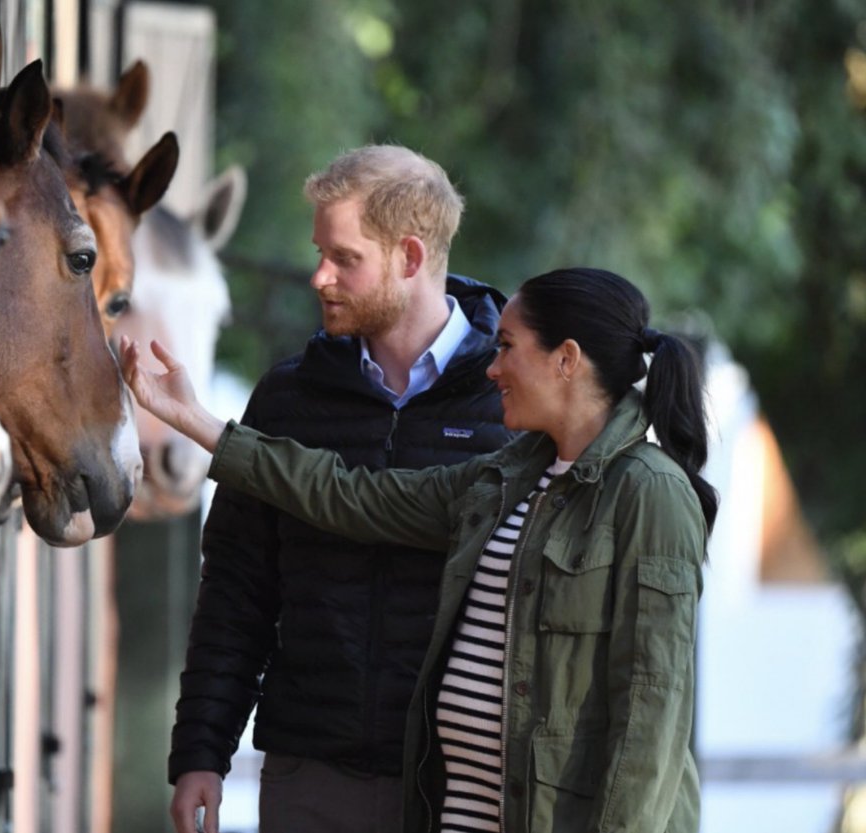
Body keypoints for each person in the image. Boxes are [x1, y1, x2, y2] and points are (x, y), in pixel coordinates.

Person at [121, 266, 716, 833]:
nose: (491, 368)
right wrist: (197, 422)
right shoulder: (505, 476)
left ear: (566, 359)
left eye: (507, 346)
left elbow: (650, 721)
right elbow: (350, 495)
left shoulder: (650, 492)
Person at [166, 145, 513, 833]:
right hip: (311, 776)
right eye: (320, 251)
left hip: (464, 786)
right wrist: (201, 750)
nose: (320, 275)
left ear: (410, 258)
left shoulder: (508, 404)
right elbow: (237, 590)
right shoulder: (288, 398)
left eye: (345, 257)